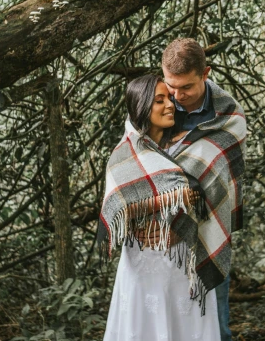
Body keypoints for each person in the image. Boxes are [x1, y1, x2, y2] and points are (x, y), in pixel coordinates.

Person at [101, 75, 221, 341]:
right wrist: (172, 198)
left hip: (185, 255)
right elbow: (115, 208)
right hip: (144, 262)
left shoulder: (186, 146)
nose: (170, 105)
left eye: (169, 98)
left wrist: (182, 210)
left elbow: (209, 194)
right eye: (159, 100)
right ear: (142, 106)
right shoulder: (123, 156)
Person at [161, 38, 243, 341]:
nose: (177, 96)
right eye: (172, 86)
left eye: (186, 88)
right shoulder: (156, 100)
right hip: (158, 229)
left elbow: (213, 175)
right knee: (165, 321)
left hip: (207, 229)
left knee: (214, 323)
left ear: (205, 73)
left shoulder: (228, 115)